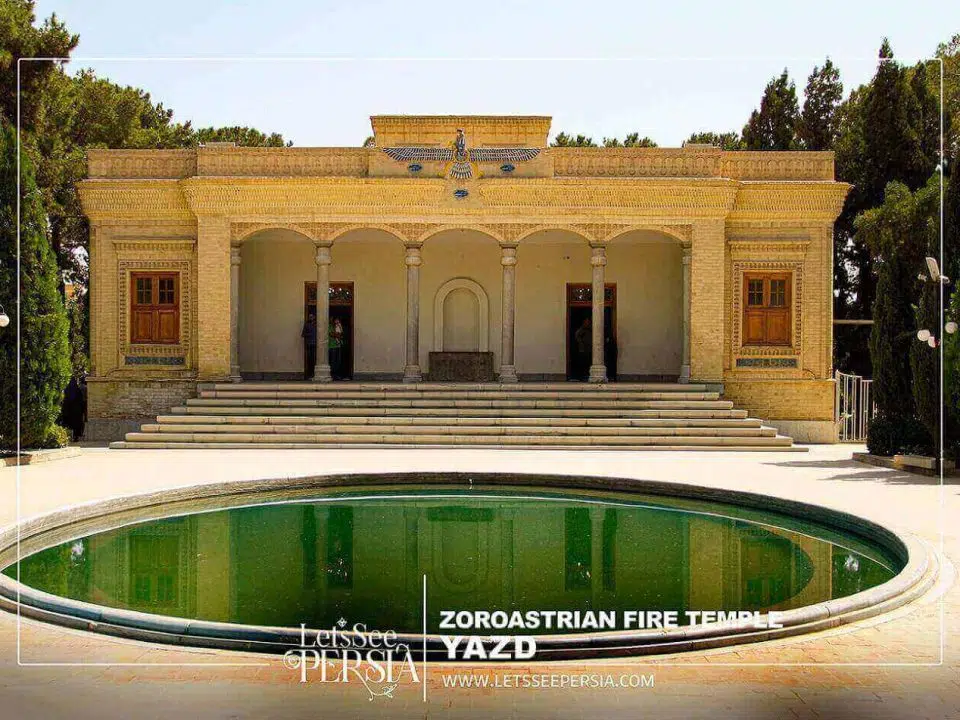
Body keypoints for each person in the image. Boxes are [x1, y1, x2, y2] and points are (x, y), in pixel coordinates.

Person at [574, 317, 591, 381]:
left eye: (588, 322)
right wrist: (581, 343)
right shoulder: (581, 330)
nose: (587, 323)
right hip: (582, 350)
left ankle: (587, 376)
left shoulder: (590, 329)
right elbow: (577, 336)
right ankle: (581, 376)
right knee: (582, 363)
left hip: (589, 350)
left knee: (588, 363)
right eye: (586, 322)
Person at [301, 311, 317, 380]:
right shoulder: (307, 324)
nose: (311, 318)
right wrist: (310, 334)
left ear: (314, 317)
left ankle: (315, 374)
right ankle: (310, 374)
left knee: (316, 360)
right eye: (310, 317)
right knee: (310, 360)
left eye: (312, 316)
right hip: (310, 344)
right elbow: (303, 334)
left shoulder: (318, 324)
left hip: (318, 346)